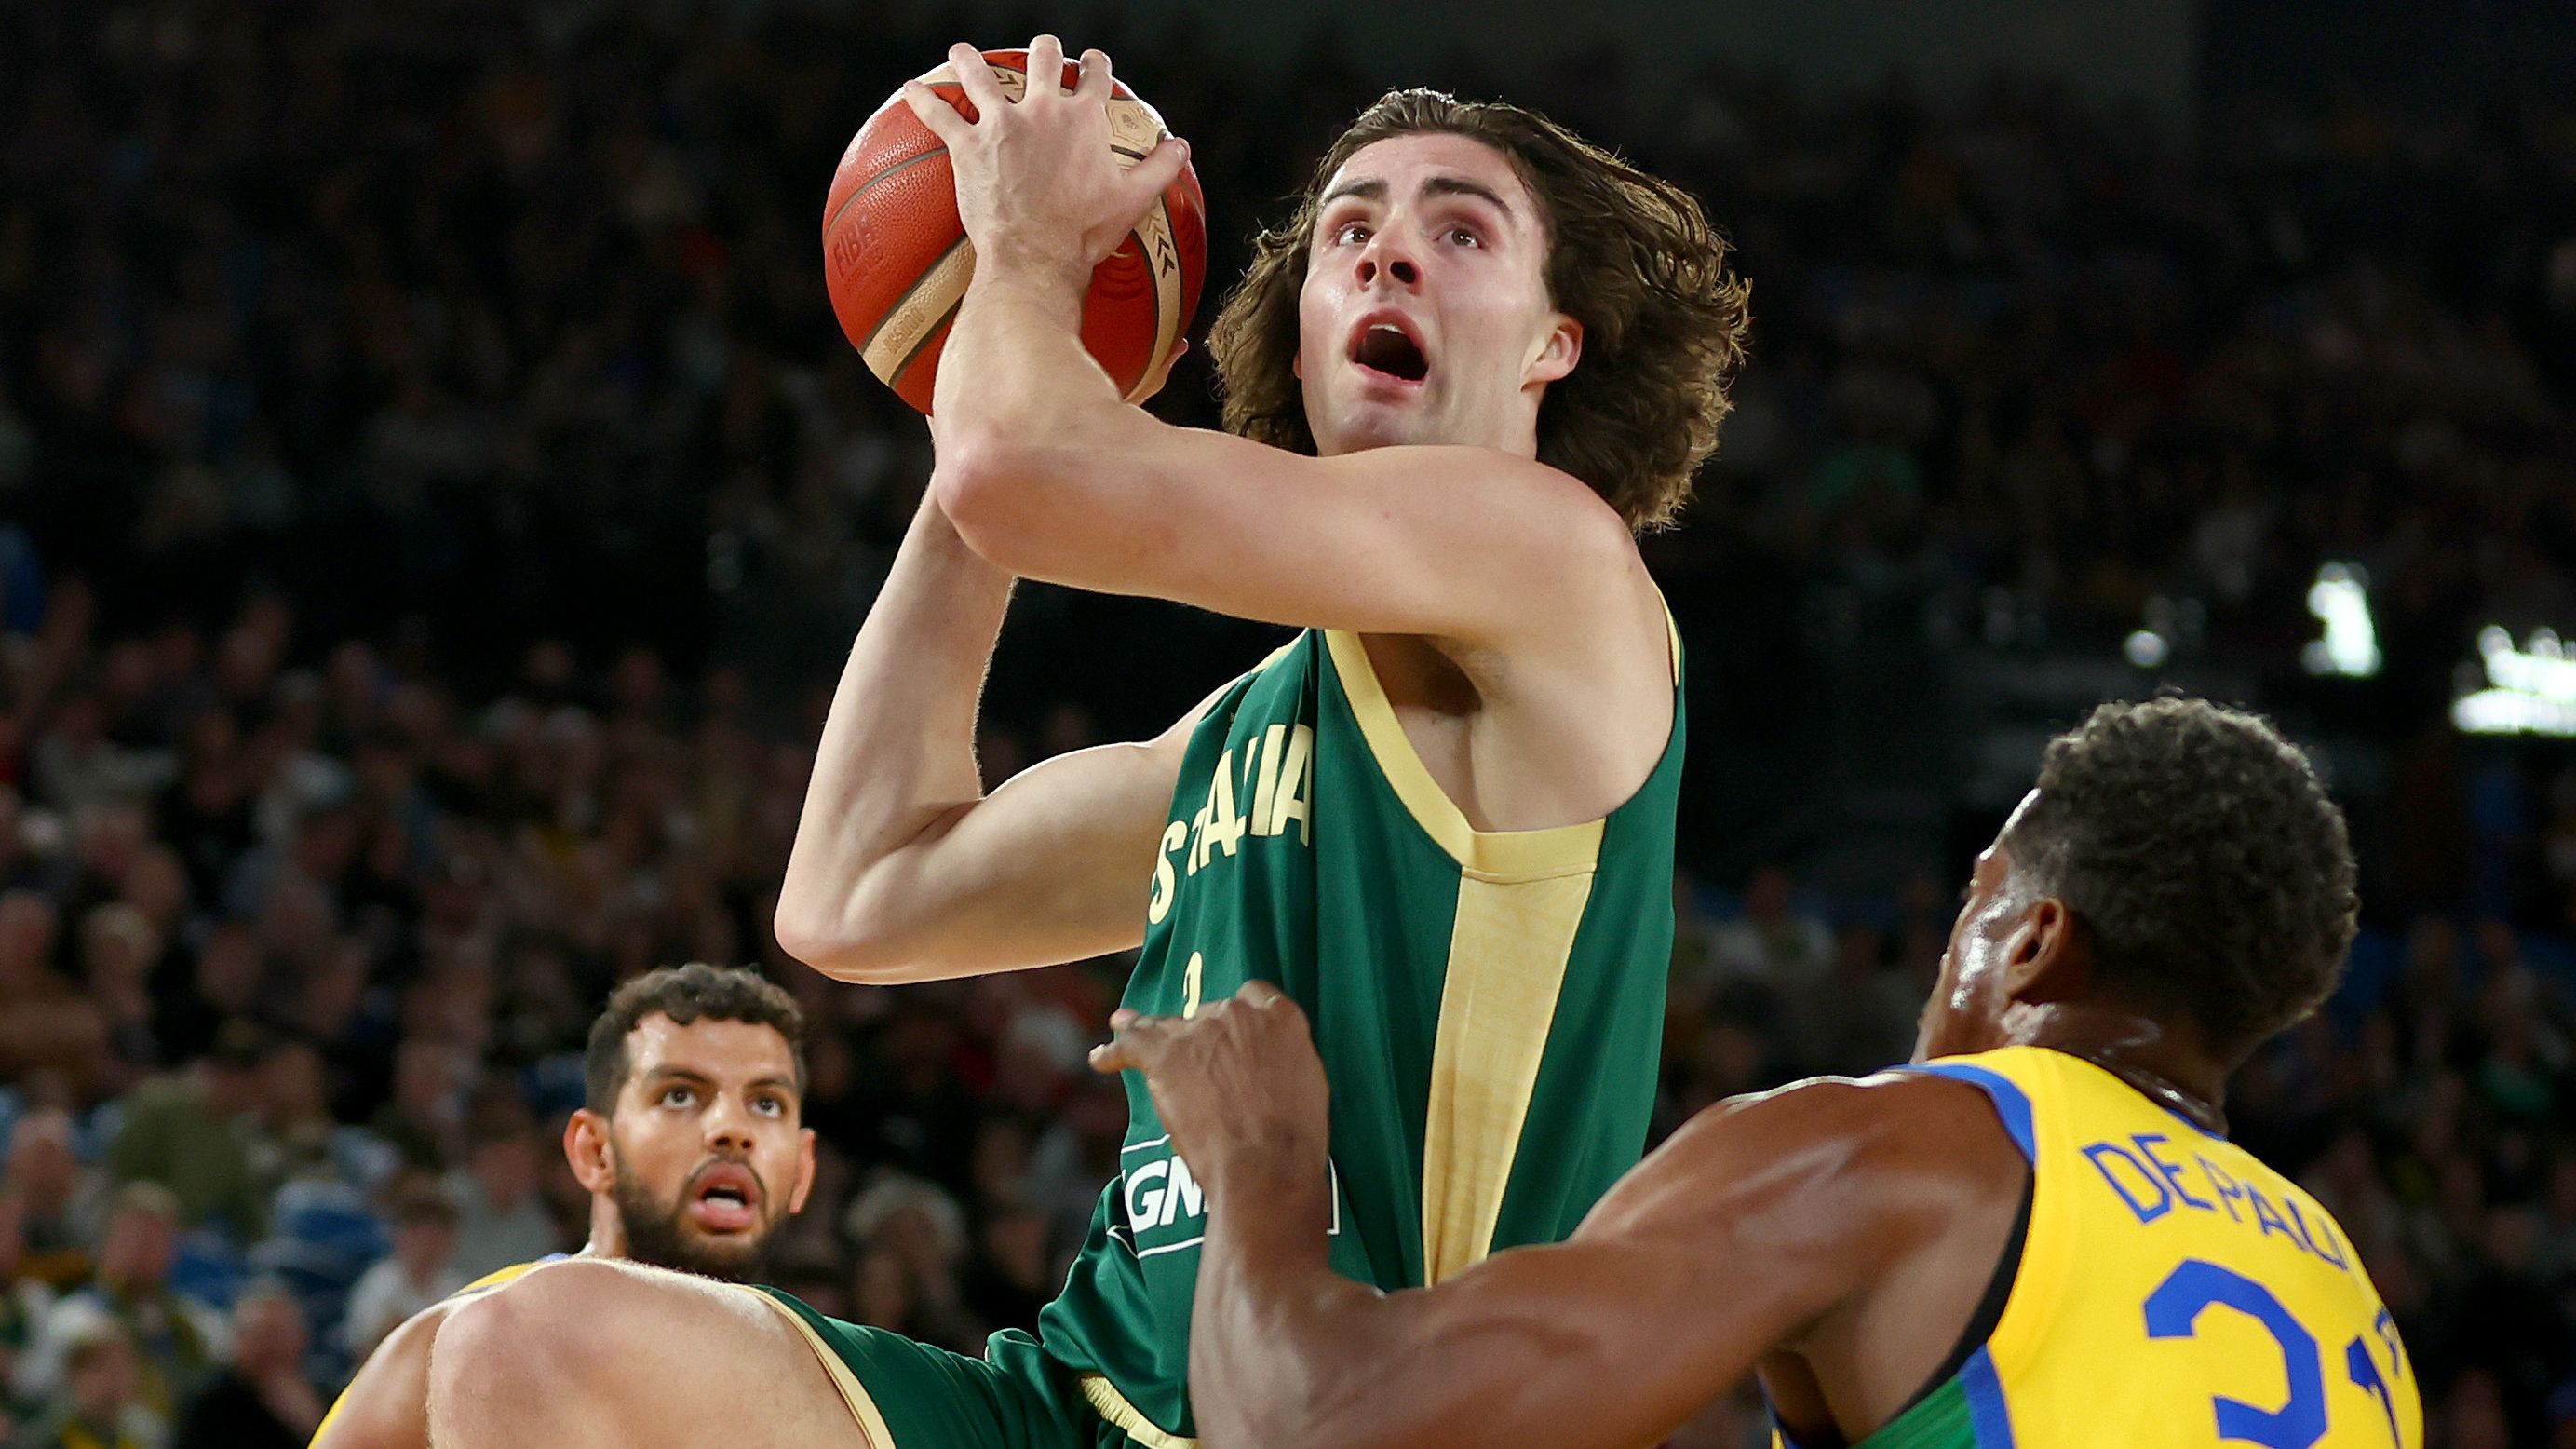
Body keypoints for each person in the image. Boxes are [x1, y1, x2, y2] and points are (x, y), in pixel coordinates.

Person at [425, 33, 1747, 1449]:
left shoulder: (1557, 565)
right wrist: (980, 369)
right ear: (1294, 336)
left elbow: (1023, 473)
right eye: (1346, 232)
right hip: (1068, 1407)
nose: (1385, 255)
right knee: (509, 1343)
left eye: (1459, 229)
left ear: (1557, 343)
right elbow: (858, 894)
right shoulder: (1233, 744)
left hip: (1359, 1413)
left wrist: (1023, 265)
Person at [1094, 697, 2427, 1449]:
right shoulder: (2339, 1300)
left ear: (2027, 943)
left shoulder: (1906, 1154)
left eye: (1969, 905)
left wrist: (1258, 1162)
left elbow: (1325, 1429)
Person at [308, 963, 815, 1449]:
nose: (732, 1130)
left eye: (766, 1104)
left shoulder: (840, 1387)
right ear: (593, 1150)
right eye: (680, 1095)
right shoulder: (448, 1352)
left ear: (801, 1170)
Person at [169, 1281, 323, 1449]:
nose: (268, 1347)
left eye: (277, 1334)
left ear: (302, 1339)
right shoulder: (208, 1405)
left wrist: (310, 1422)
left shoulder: (320, 1396)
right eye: (258, 1335)